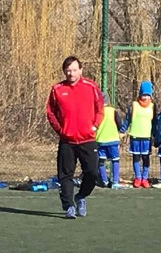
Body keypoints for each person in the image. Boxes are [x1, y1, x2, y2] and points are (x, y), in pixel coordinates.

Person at [45, 57, 104, 218]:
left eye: (74, 70)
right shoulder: (57, 89)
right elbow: (50, 112)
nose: (71, 73)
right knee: (65, 175)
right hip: (67, 141)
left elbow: (100, 109)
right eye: (68, 70)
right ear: (64, 71)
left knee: (92, 173)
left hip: (87, 139)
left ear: (81, 70)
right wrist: (61, 130)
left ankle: (81, 196)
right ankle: (69, 206)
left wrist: (94, 126)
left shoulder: (91, 87)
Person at [120, 81, 155, 188]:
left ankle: (145, 178)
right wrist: (122, 131)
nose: (145, 97)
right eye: (144, 94)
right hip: (135, 136)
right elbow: (127, 120)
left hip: (147, 137)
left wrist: (156, 135)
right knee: (136, 158)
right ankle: (138, 178)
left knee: (146, 158)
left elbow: (155, 123)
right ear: (140, 94)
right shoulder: (134, 106)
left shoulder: (153, 107)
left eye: (147, 95)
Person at [95, 95, 125, 189]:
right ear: (108, 101)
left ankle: (104, 181)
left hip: (100, 140)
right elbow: (119, 124)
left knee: (101, 162)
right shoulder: (113, 111)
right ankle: (115, 181)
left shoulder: (96, 111)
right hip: (113, 140)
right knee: (115, 160)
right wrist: (121, 132)